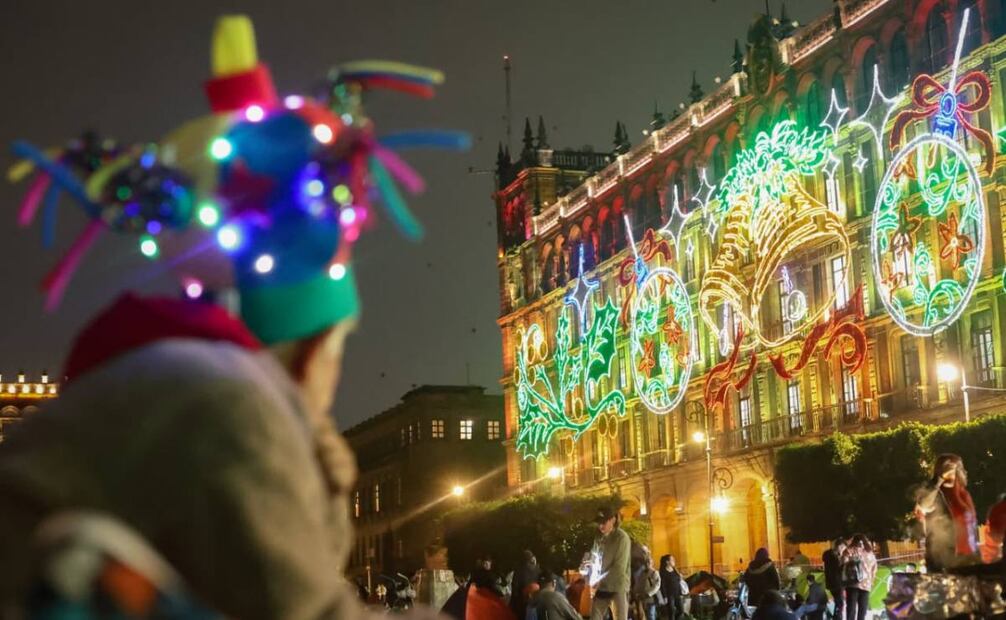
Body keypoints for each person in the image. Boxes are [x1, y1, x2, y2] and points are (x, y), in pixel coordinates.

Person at [0, 14, 465, 620]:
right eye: (339, 345)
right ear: (311, 342)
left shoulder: (169, 380)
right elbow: (302, 609)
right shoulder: (229, 406)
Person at [916, 453, 979, 571]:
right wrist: (939, 479)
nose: (952, 468)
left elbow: (971, 529)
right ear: (939, 469)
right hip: (944, 561)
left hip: (968, 560)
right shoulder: (934, 492)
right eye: (947, 465)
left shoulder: (963, 494)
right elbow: (924, 504)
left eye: (956, 465)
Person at [581, 505, 631, 620]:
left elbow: (619, 567)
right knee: (594, 616)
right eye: (599, 522)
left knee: (620, 616)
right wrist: (587, 565)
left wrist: (598, 581)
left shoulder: (621, 538)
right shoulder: (599, 538)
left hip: (617, 586)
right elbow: (593, 557)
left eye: (604, 522)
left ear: (613, 520)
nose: (601, 526)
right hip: (601, 587)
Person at [840, 534, 877, 620]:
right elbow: (874, 568)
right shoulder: (870, 553)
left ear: (854, 541)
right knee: (862, 609)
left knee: (851, 608)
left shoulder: (849, 551)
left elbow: (842, 564)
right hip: (866, 584)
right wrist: (871, 581)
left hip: (852, 583)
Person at [511, 550, 542, 617]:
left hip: (522, 600)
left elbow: (515, 587)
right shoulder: (538, 569)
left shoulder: (519, 570)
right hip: (535, 599)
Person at [631, 552, 661, 620]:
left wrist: (648, 594)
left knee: (651, 615)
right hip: (643, 597)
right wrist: (635, 592)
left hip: (651, 598)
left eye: (649, 562)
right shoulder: (642, 573)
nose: (647, 564)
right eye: (646, 562)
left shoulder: (654, 572)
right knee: (643, 615)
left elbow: (656, 585)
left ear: (652, 563)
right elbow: (639, 584)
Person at [822, 538, 846, 620]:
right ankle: (837, 618)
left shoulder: (828, 555)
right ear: (838, 546)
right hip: (837, 583)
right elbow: (837, 570)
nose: (843, 549)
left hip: (831, 583)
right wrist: (843, 563)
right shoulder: (834, 557)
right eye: (842, 547)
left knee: (838, 602)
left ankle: (836, 617)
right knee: (840, 603)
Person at [659, 554, 683, 620]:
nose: (674, 561)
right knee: (671, 612)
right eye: (672, 560)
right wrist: (665, 597)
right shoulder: (663, 572)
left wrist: (680, 593)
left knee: (681, 611)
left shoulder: (675, 570)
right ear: (667, 562)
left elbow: (678, 583)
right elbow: (662, 585)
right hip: (669, 595)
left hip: (677, 593)